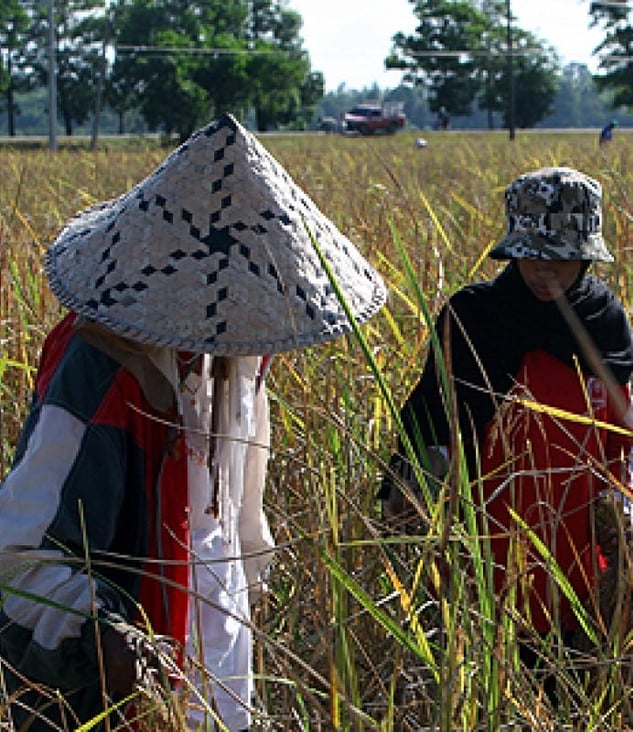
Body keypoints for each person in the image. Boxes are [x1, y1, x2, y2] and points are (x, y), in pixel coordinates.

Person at [0, 113, 387, 731]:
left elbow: (237, 516)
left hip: (219, 648)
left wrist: (253, 580)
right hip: (126, 680)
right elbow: (14, 556)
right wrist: (101, 631)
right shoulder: (100, 371)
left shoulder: (247, 351)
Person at [379, 167, 633, 683]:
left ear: (585, 256)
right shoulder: (478, 316)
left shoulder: (603, 320)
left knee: (579, 652)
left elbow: (624, 425)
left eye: (561, 258)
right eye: (531, 256)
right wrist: (413, 488)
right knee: (496, 648)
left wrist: (626, 512)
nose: (545, 271)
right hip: (493, 512)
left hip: (577, 516)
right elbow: (435, 411)